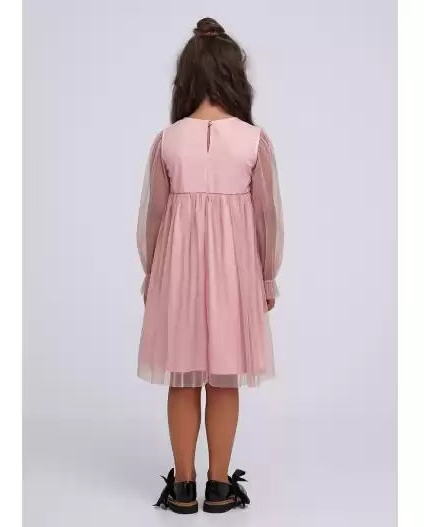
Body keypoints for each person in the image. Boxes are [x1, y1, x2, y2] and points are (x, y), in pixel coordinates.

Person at [136, 17, 284, 515]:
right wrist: (267, 275)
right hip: (234, 274)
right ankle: (219, 488)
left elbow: (154, 216)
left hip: (176, 272)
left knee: (182, 377)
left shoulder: (168, 139)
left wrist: (152, 274)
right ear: (234, 75)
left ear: (186, 77)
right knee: (224, 377)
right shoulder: (253, 140)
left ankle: (183, 488)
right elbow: (267, 216)